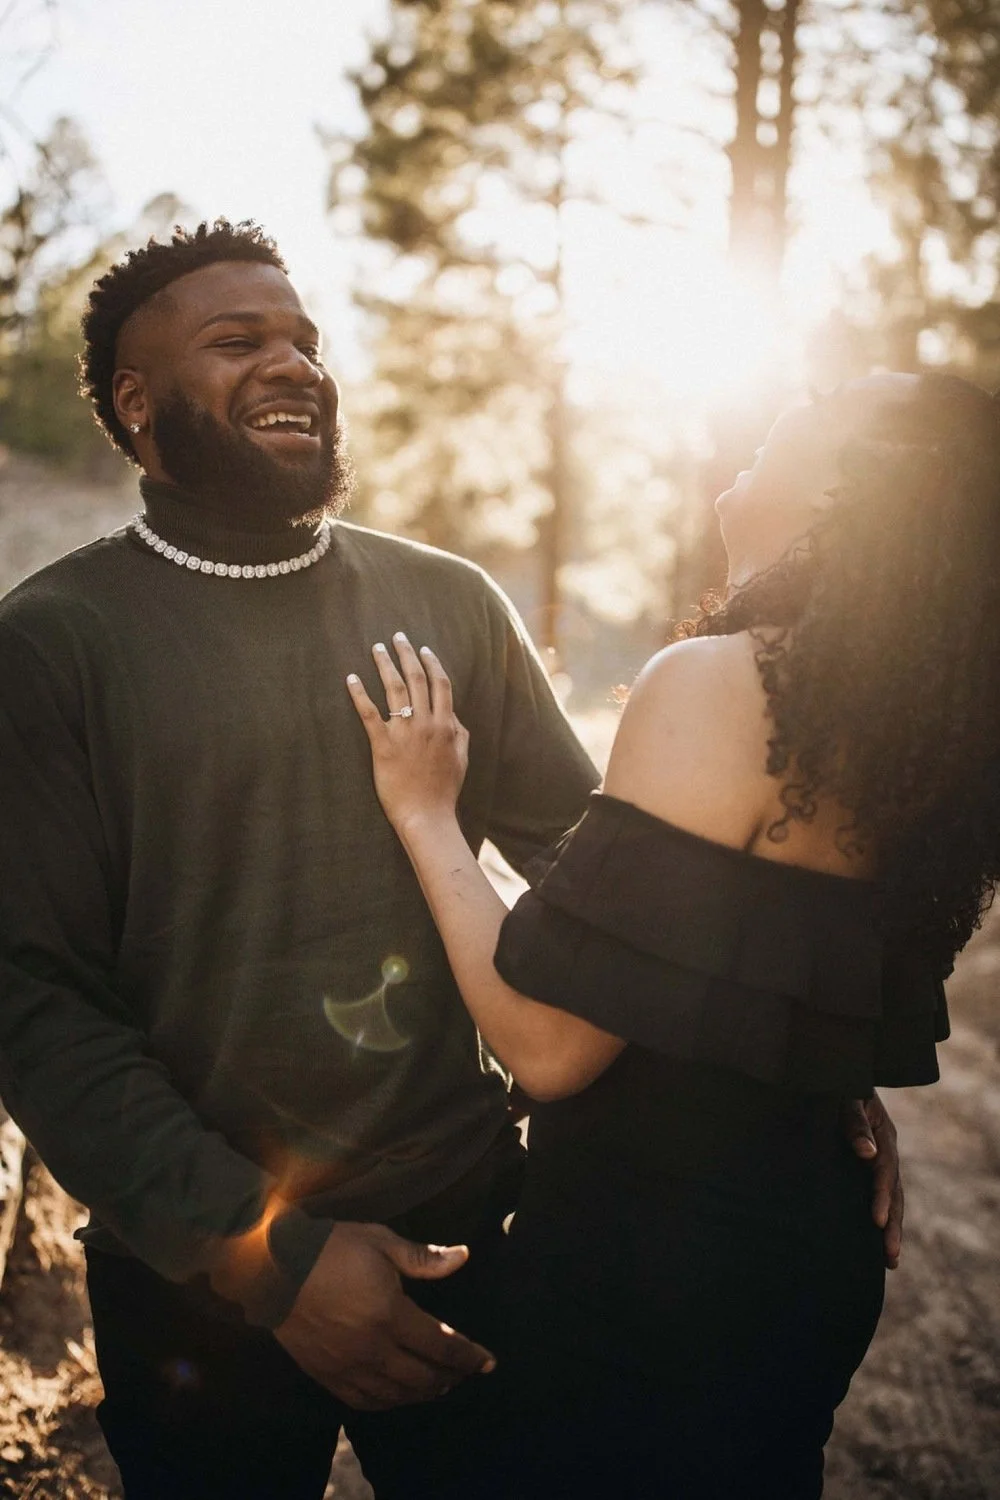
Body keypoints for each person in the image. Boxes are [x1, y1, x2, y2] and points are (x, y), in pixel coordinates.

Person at [0, 218, 900, 1500]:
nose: (295, 363)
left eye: (306, 340)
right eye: (238, 340)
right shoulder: (49, 646)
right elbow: (36, 1004)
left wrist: (784, 1079)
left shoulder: (449, 602)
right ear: (137, 402)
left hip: (470, 1242)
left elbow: (632, 895)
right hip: (196, 1285)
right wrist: (274, 1257)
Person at [347, 371, 985, 1498]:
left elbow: (548, 1047)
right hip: (809, 1251)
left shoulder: (721, 687)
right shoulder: (914, 736)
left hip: (656, 1271)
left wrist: (424, 812)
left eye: (813, 407)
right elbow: (786, 973)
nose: (774, 409)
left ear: (848, 487)